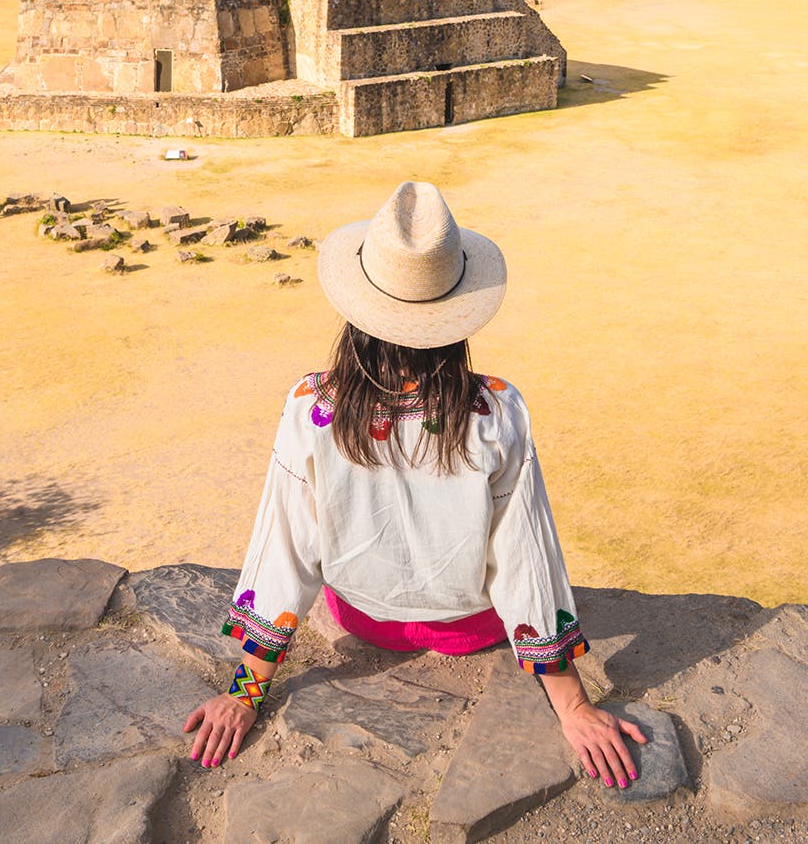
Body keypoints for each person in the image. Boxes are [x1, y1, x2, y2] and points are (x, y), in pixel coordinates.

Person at [182, 182, 644, 789]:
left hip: (360, 619)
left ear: (357, 310)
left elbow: (285, 551)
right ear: (456, 316)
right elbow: (524, 560)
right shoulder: (496, 411)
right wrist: (573, 707)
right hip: (473, 629)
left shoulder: (310, 407)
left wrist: (245, 695)